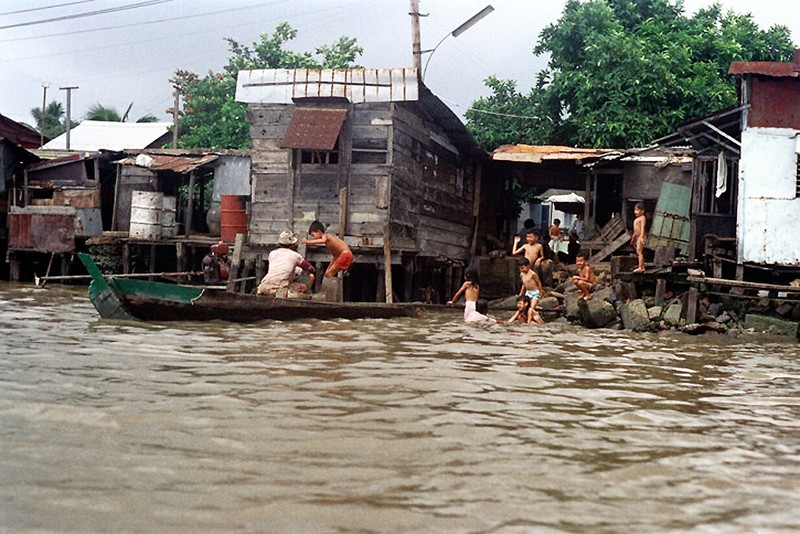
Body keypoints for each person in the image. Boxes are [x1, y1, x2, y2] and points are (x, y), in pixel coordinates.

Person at [257, 230, 316, 297]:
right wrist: (312, 271)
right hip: (279, 289)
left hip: (263, 286)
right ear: (292, 245)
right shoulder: (295, 255)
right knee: (304, 287)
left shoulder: (272, 253)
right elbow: (309, 268)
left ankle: (261, 293)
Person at [517, 258, 544, 324]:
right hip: (528, 292)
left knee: (531, 308)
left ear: (528, 266)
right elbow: (524, 284)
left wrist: (541, 293)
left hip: (535, 292)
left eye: (523, 268)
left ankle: (529, 320)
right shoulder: (522, 274)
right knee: (525, 306)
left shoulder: (532, 274)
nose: (522, 270)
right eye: (520, 268)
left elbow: (538, 282)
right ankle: (525, 318)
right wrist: (521, 293)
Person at [631, 203, 647, 273]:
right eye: (635, 210)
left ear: (642, 211)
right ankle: (641, 266)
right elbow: (635, 230)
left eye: (637, 210)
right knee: (638, 252)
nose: (635, 212)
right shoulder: (637, 219)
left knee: (639, 252)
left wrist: (641, 237)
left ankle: (641, 267)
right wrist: (633, 237)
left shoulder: (643, 218)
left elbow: (643, 228)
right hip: (637, 237)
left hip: (641, 236)